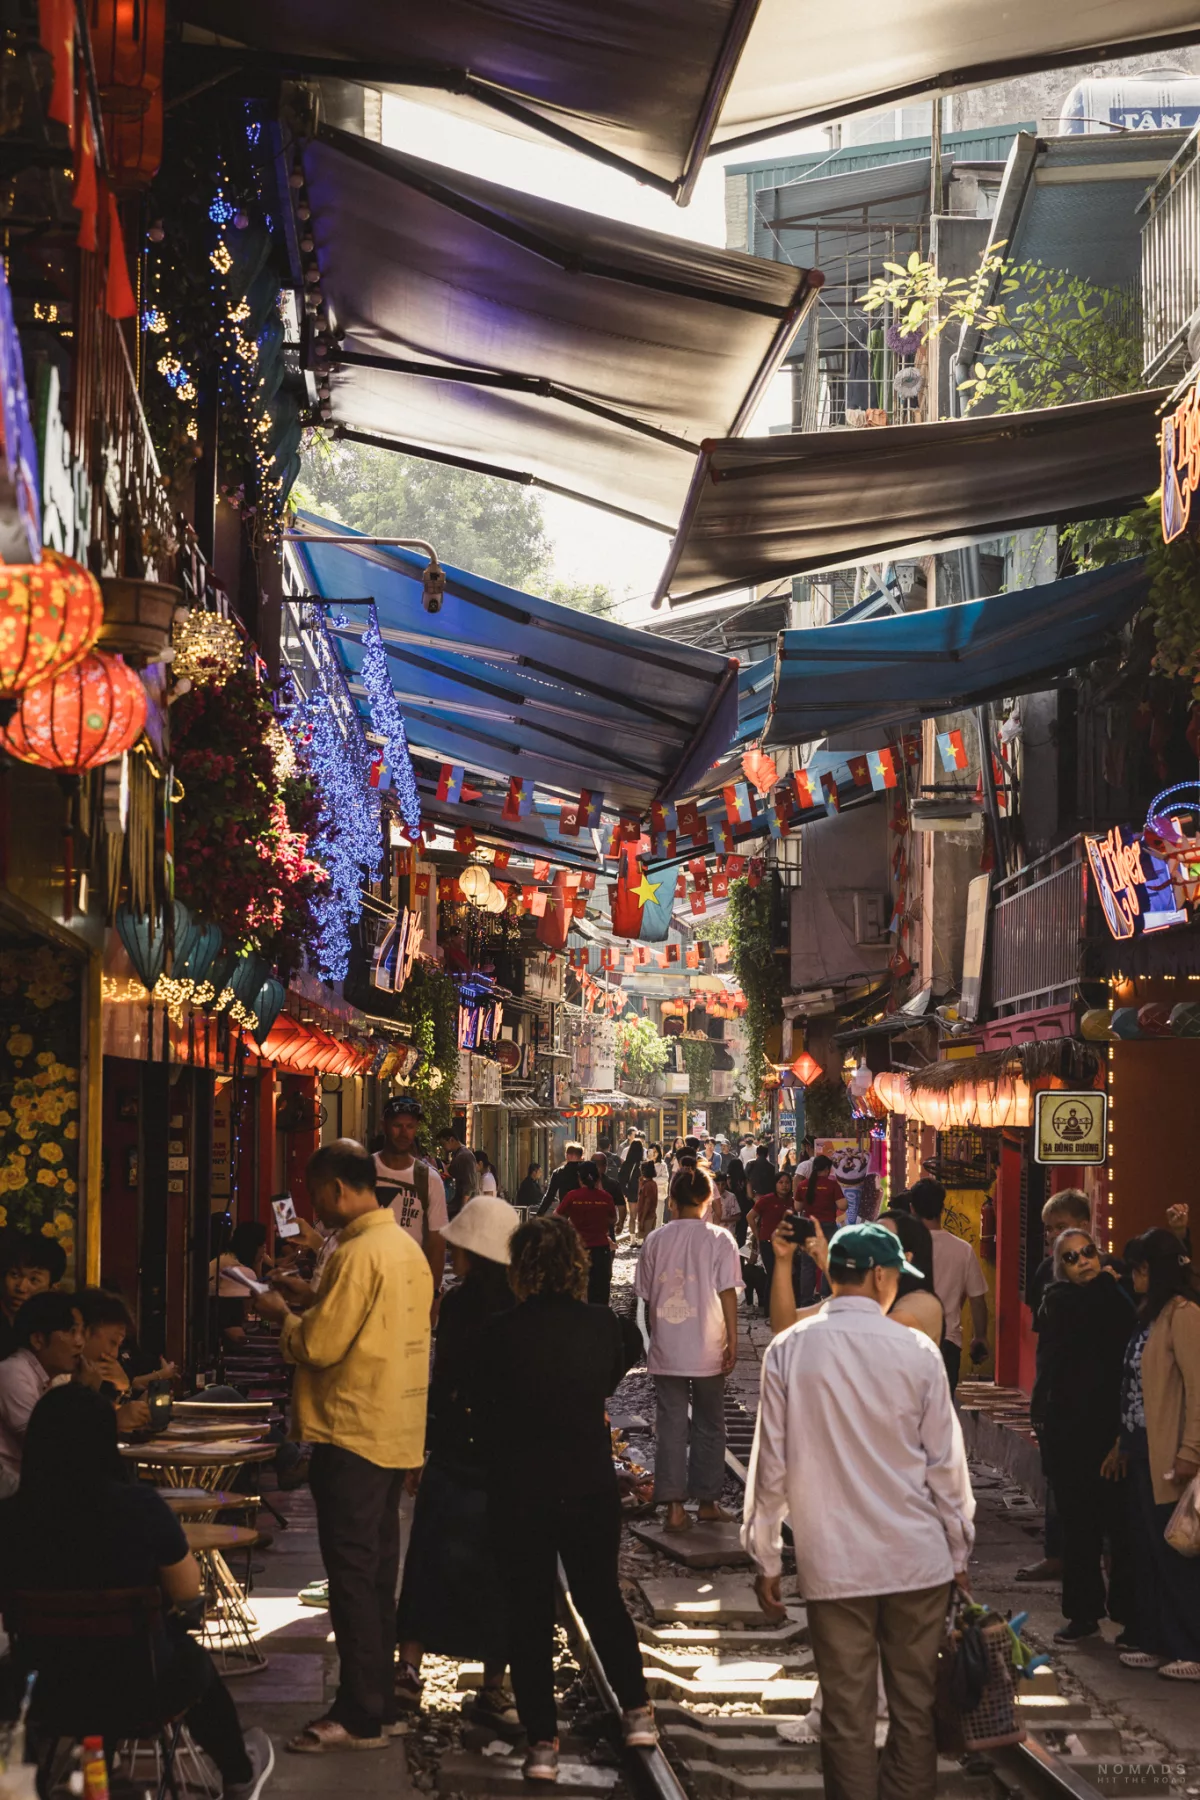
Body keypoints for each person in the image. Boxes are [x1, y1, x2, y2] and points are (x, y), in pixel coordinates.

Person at [743, 1223, 975, 1800]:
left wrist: (766, 1554)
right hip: (916, 1563)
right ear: (878, 1275)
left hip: (834, 1562)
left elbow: (770, 1465)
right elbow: (946, 1467)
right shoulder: (918, 1352)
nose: (897, 1286)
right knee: (914, 1714)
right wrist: (959, 1546)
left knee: (846, 1720)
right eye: (896, 1275)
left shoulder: (789, 1350)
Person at [0, 1384, 274, 1800]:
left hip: (40, 1692)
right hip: (140, 1689)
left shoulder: (10, 1520)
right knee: (190, 1658)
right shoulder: (140, 1508)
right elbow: (187, 1590)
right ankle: (238, 1772)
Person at [255, 1139, 432, 1753]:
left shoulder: (360, 1254)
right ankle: (376, 1700)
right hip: (393, 1428)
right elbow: (363, 1324)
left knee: (353, 1574)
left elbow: (322, 1347)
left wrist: (283, 1314)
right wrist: (312, 1301)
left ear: (335, 1189)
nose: (315, 1210)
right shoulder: (403, 1249)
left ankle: (361, 1714)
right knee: (377, 1571)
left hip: (352, 1429)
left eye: (317, 1196)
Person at [473, 1217, 655, 1779]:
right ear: (577, 1265)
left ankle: (543, 1746)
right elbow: (619, 1364)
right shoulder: (606, 1326)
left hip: (519, 1488)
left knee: (527, 1613)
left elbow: (483, 1405)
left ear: (520, 1268)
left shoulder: (497, 1331)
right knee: (601, 1599)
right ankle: (638, 1712)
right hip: (587, 1484)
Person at [396, 1196, 520, 1726]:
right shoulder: (520, 1307)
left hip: (453, 1448)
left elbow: (441, 1380)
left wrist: (419, 1447)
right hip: (505, 1459)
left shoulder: (456, 1305)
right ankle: (497, 1684)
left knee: (426, 1557)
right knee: (500, 1569)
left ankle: (408, 1670)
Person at [1031, 1227, 1134, 1643]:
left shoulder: (1119, 1295)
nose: (1083, 1262)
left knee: (1122, 1529)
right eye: (1070, 1258)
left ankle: (1130, 1616)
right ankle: (1084, 1614)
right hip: (1071, 1433)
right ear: (1061, 1267)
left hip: (1115, 1429)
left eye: (1087, 1252)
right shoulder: (1058, 1301)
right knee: (1079, 1529)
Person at [1110, 1227, 1200, 1680]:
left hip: (1171, 1453)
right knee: (1148, 1550)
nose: (1134, 1276)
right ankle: (1160, 1640)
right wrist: (1123, 1443)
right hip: (1143, 1447)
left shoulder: (1184, 1315)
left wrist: (1191, 1451)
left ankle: (1191, 1646)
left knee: (1176, 1553)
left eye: (1142, 1268)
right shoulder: (1153, 1313)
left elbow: (1198, 1389)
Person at [635, 1167, 741, 1532]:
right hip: (709, 1347)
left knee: (671, 1426)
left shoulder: (655, 1240)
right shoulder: (721, 1240)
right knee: (711, 1424)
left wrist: (657, 1336)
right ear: (709, 1200)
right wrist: (733, 1339)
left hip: (667, 1349)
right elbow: (728, 1292)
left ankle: (675, 1509)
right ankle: (708, 1503)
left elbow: (647, 1298)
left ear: (673, 1202)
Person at [1016, 1188, 1093, 1584]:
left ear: (1085, 1226)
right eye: (1049, 1230)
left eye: (1062, 1227)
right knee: (1056, 1479)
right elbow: (1043, 1336)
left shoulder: (1104, 1275)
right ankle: (1057, 1555)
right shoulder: (1045, 1272)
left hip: (1094, 1395)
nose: (1054, 1236)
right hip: (1054, 1392)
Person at [907, 1180, 988, 1393]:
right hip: (946, 1344)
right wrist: (979, 1337)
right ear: (942, 1207)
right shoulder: (963, 1250)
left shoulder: (900, 1248)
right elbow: (977, 1300)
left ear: (912, 1208)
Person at [0, 1291, 84, 1493]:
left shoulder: (45, 1377)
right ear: (38, 1339)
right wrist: (84, 1391)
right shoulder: (13, 1372)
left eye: (82, 1332)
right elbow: (46, 1446)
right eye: (71, 1331)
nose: (80, 1342)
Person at [373, 1096, 449, 1291]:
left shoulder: (429, 1179)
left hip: (410, 1287)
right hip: (367, 1282)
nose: (404, 1133)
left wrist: (433, 1294)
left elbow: (436, 1243)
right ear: (384, 1125)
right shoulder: (364, 1171)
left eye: (410, 1126)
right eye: (397, 1125)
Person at [77, 1287, 152, 1435]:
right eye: (113, 1342)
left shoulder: (89, 1375)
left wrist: (124, 1388)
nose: (114, 1354)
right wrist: (114, 1419)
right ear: (85, 1332)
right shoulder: (58, 1375)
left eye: (118, 1345)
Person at [555, 1160, 618, 1305]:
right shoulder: (606, 1197)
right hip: (600, 1249)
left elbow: (557, 1217)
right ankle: (599, 1322)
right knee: (600, 1291)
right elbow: (613, 1219)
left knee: (575, 1288)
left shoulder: (572, 1196)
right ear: (597, 1177)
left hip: (577, 1248)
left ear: (579, 1177)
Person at [0, 1234, 66, 1362]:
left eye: (34, 1280)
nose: (21, 1287)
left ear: (53, 1287)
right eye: (15, 1275)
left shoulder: (51, 1326)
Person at [748, 1170, 794, 1300]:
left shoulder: (792, 1201)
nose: (784, 1185)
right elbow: (750, 1217)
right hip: (767, 1242)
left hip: (786, 1243)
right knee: (773, 1274)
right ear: (775, 1184)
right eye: (781, 1182)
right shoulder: (766, 1200)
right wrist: (757, 1236)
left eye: (787, 1183)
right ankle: (769, 1309)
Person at [437, 1128, 480, 1218]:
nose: (443, 1147)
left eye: (443, 1144)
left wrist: (462, 1211)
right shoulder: (459, 1155)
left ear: (451, 1140)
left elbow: (469, 1185)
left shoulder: (464, 1156)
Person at [798, 1154, 845, 1236]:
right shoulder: (832, 1185)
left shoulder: (802, 1185)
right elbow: (843, 1206)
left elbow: (798, 1207)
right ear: (827, 1169)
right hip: (828, 1227)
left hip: (809, 1226)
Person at [537, 1141, 585, 1215]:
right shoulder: (586, 1171)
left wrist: (539, 1213)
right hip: (584, 1212)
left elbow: (549, 1196)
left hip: (565, 1212)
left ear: (567, 1156)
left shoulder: (558, 1172)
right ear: (581, 1156)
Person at [594, 1151, 628, 1238]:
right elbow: (622, 1207)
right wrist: (620, 1224)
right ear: (606, 1166)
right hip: (607, 1228)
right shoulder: (613, 1184)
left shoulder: (582, 1183)